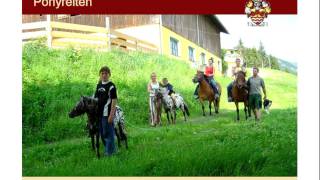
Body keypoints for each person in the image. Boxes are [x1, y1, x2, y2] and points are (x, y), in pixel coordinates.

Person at [94, 66, 118, 156]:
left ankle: (110, 153)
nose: (104, 75)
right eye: (102, 73)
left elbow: (114, 100)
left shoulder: (111, 86)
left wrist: (111, 115)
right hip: (99, 113)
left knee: (108, 133)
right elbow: (95, 98)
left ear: (109, 75)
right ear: (100, 75)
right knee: (102, 133)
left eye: (106, 73)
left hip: (107, 113)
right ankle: (111, 149)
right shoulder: (99, 85)